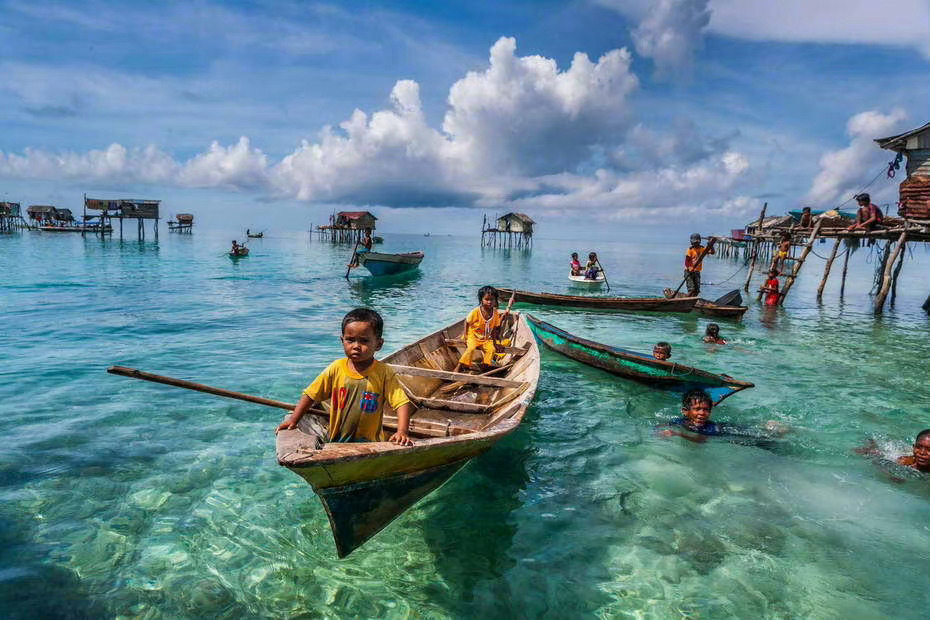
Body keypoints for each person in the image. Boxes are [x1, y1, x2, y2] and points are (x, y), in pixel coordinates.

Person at [276, 308, 414, 446]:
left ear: (378, 344)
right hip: (337, 440)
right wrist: (294, 419)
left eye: (364, 341)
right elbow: (311, 395)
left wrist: (402, 431)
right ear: (342, 340)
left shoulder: (384, 372)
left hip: (371, 444)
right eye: (350, 340)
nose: (356, 346)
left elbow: (401, 403)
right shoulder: (336, 368)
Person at [658, 388, 787, 445]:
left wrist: (678, 434)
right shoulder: (681, 421)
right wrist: (658, 431)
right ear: (685, 411)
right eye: (697, 409)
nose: (702, 413)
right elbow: (665, 424)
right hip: (727, 432)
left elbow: (701, 440)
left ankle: (780, 429)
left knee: (769, 438)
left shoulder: (705, 428)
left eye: (706, 410)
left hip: (730, 431)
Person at [454, 286, 514, 372]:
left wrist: (494, 342)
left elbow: (494, 330)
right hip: (473, 336)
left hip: (486, 338)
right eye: (486, 299)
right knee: (471, 348)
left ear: (495, 300)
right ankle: (459, 366)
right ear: (481, 300)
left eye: (492, 299)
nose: (489, 302)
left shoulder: (495, 313)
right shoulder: (476, 311)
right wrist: (465, 335)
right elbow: (466, 322)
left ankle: (485, 366)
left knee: (491, 349)